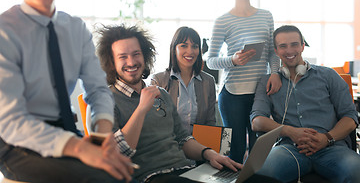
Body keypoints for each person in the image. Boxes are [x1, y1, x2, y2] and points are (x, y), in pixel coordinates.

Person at [0, 0, 135, 182]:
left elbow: (98, 89)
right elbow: (11, 120)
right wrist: (81, 149)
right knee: (103, 179)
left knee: (123, 174)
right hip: (15, 141)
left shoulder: (75, 28)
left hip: (66, 131)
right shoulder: (5, 31)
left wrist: (103, 136)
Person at [96, 24, 280, 183]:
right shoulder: (105, 100)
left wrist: (210, 154)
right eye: (123, 57)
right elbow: (115, 154)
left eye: (136, 54)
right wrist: (142, 108)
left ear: (144, 57)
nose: (131, 61)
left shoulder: (163, 94)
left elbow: (183, 138)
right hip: (152, 176)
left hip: (186, 169)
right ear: (111, 62)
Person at [250, 25, 360, 183]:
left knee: (356, 171)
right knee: (258, 174)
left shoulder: (328, 75)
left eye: (294, 44)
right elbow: (257, 121)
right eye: (283, 46)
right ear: (276, 51)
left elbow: (350, 117)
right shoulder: (267, 82)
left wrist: (326, 138)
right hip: (289, 149)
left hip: (332, 148)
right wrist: (291, 132)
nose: (289, 51)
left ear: (302, 46)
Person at [206, 0, 281, 163]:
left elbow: (272, 53)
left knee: (261, 150)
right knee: (235, 150)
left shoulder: (266, 16)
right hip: (233, 94)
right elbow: (210, 60)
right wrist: (233, 60)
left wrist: (275, 72)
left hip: (261, 91)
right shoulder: (223, 20)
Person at [150, 26, 216, 134]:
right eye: (184, 46)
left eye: (195, 46)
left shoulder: (208, 81)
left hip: (199, 145)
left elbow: (210, 123)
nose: (190, 51)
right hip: (170, 145)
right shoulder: (158, 80)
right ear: (174, 49)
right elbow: (156, 123)